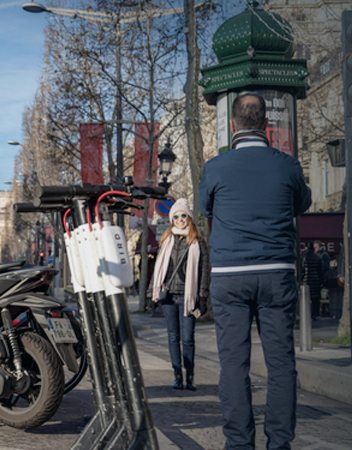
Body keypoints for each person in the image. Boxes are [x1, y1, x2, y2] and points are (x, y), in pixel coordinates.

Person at [199, 92, 312, 450]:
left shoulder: (216, 167)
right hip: (277, 271)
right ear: (267, 124)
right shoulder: (287, 164)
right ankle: (279, 443)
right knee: (281, 364)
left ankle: (238, 445)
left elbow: (205, 206)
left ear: (233, 125)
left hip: (230, 273)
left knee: (233, 365)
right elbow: (302, 203)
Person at [151, 199, 210, 391]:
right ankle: (177, 375)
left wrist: (202, 298)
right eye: (175, 216)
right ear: (171, 219)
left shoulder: (198, 243)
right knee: (172, 337)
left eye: (183, 215)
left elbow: (203, 273)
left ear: (189, 217)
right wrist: (152, 294)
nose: (180, 219)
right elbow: (158, 269)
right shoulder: (166, 241)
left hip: (188, 296)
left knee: (188, 338)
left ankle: (190, 376)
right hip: (168, 297)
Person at [303, 243, 324, 319]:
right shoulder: (317, 257)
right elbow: (320, 271)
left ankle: (306, 313)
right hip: (316, 280)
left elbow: (302, 270)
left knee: (305, 297)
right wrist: (321, 281)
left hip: (306, 279)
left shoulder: (303, 257)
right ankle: (315, 314)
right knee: (315, 298)